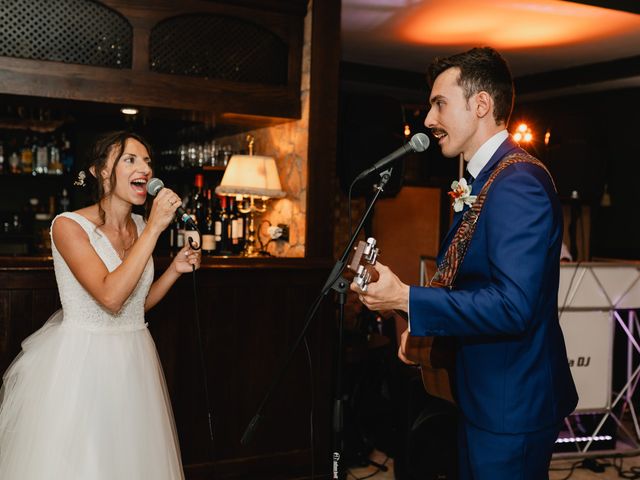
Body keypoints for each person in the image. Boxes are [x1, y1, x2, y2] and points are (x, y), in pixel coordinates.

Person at [352, 47, 578, 479]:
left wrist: (407, 297)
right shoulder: (487, 178)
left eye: (440, 104)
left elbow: (514, 307)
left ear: (480, 105)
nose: (428, 120)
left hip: (511, 405)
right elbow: (469, 284)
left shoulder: (518, 183)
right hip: (481, 394)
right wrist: (417, 323)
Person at [0, 131, 201, 479]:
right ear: (101, 172)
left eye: (147, 161)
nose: (145, 168)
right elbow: (110, 297)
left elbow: (134, 306)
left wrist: (174, 270)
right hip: (83, 364)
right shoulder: (68, 226)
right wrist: (155, 228)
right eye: (130, 159)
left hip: (134, 358)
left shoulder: (139, 225)